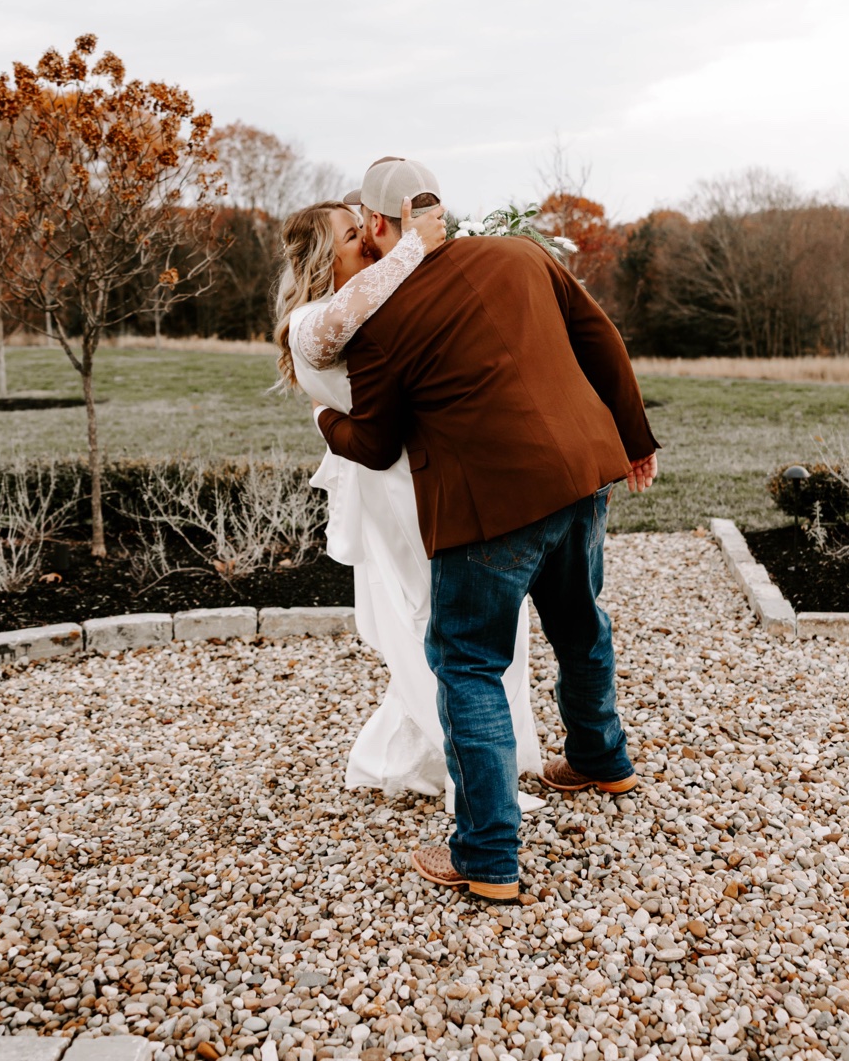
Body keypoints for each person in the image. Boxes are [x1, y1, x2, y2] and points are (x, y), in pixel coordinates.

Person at [316, 156, 660, 904]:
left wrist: (325, 420)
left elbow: (374, 442)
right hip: (582, 474)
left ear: (376, 226)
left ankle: (487, 854)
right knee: (578, 619)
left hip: (490, 506)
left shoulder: (381, 321)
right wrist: (636, 438)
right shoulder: (522, 254)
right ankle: (604, 759)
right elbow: (601, 337)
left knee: (467, 663)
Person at [273, 182, 546, 816]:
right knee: (443, 627)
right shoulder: (314, 321)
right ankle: (473, 783)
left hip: (430, 476)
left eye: (364, 230)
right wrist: (412, 249)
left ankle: (403, 758)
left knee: (469, 623)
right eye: (351, 236)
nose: (367, 241)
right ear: (322, 260)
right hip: (397, 489)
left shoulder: (373, 302)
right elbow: (346, 325)